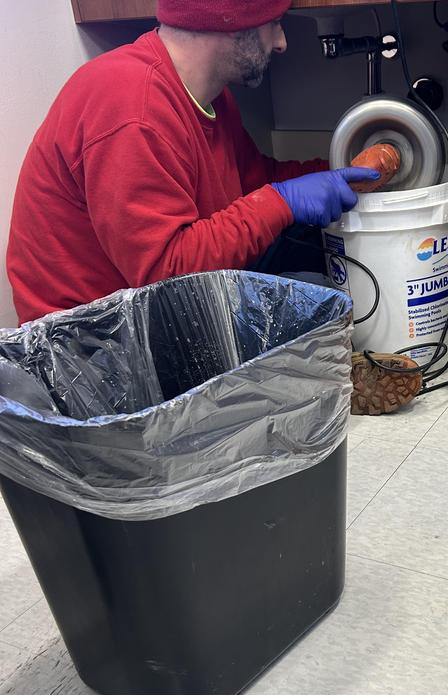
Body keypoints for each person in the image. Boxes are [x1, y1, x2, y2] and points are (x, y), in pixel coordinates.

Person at [6, 0, 422, 414]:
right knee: (299, 314)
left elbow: (254, 181)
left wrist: (337, 172)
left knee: (309, 264)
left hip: (154, 312)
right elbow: (167, 274)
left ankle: (311, 371)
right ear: (228, 23)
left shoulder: (210, 99)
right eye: (273, 25)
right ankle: (314, 376)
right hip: (93, 356)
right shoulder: (133, 106)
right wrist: (284, 200)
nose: (281, 43)